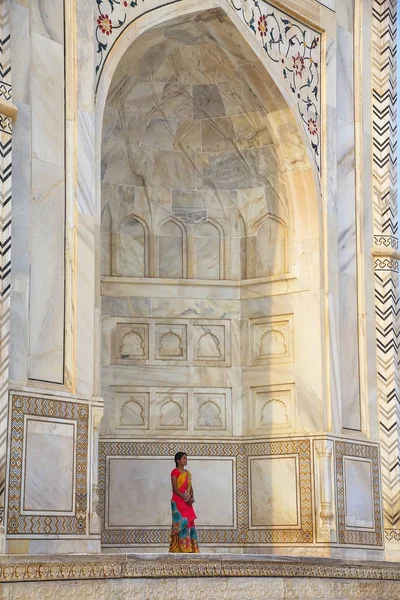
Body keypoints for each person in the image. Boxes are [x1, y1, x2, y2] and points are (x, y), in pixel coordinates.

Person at [169, 451, 200, 553]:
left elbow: (190, 487)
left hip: (187, 502)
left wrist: (192, 498)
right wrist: (184, 498)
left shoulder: (188, 473)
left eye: (186, 458)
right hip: (178, 501)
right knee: (180, 523)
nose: (186, 460)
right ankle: (178, 549)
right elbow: (175, 489)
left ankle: (190, 548)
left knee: (189, 523)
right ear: (178, 460)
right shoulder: (175, 472)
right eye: (184, 458)